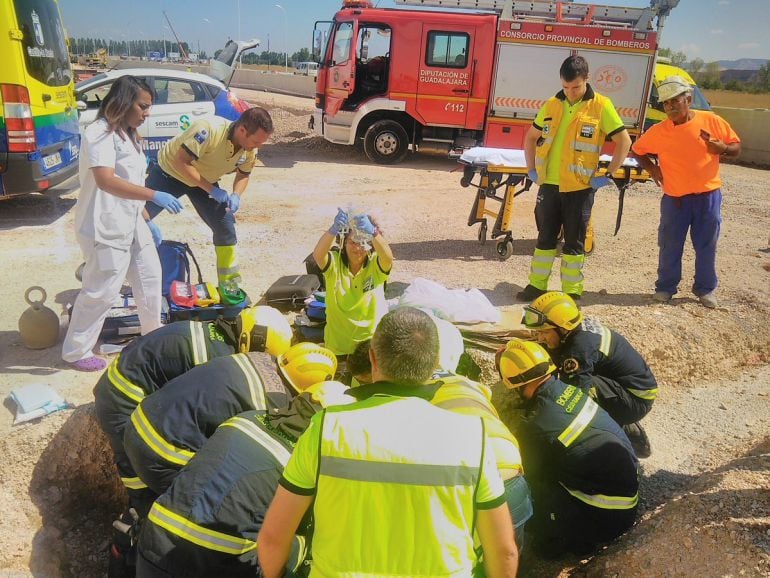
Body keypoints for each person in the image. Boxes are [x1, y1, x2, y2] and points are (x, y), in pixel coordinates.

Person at [257, 307, 519, 578]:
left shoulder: (326, 427)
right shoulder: (472, 437)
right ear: (435, 363)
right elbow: (503, 552)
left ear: (372, 358)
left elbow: (274, 538)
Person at [135, 380, 352, 578]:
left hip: (153, 542)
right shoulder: (307, 460)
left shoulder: (246, 418)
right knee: (304, 540)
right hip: (214, 566)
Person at [93, 307, 291, 519]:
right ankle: (140, 522)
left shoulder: (209, 333)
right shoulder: (213, 357)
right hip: (124, 400)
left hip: (119, 386)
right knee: (138, 471)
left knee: (136, 460)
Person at [348, 337, 533, 550]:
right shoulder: (455, 378)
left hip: (469, 479)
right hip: (510, 466)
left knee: (463, 559)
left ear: (376, 370)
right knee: (506, 554)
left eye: (363, 383)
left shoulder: (399, 399)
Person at [62, 76, 183, 372]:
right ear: (124, 102)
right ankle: (76, 351)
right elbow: (106, 181)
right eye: (143, 106)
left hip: (131, 221)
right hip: (105, 225)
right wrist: (155, 194)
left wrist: (145, 217)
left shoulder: (130, 135)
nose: (147, 113)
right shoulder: (100, 133)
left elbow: (130, 183)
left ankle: (152, 338)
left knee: (151, 279)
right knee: (101, 289)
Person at [123, 343, 337, 497]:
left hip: (135, 424)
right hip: (161, 455)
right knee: (214, 502)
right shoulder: (274, 403)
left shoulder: (257, 358)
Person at [497, 339, 639, 558]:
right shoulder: (568, 390)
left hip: (608, 518)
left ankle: (565, 540)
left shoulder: (537, 424)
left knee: (524, 485)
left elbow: (526, 472)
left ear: (515, 384)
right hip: (627, 496)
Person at [518, 55, 631, 302]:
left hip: (579, 188)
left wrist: (608, 174)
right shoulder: (551, 104)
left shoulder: (601, 105)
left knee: (574, 242)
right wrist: (531, 169)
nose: (570, 93)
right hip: (549, 184)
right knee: (545, 237)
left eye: (576, 87)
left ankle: (571, 292)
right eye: (565, 87)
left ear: (587, 79)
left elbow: (624, 141)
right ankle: (537, 286)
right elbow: (530, 138)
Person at [631, 75, 741, 308]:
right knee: (670, 244)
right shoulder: (659, 131)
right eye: (666, 103)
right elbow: (637, 150)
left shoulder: (711, 121)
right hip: (675, 199)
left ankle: (705, 289)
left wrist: (721, 148)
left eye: (674, 101)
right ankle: (665, 287)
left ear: (688, 99)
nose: (669, 107)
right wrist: (653, 169)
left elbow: (736, 147)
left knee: (706, 245)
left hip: (707, 197)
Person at [145, 107, 273, 292]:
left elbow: (244, 174)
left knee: (225, 226)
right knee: (137, 218)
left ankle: (229, 287)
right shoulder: (208, 129)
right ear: (242, 130)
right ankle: (108, 270)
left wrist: (236, 194)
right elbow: (180, 162)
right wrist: (212, 189)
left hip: (204, 181)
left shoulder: (249, 148)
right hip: (170, 174)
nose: (258, 146)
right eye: (256, 141)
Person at [522, 291, 657, 457]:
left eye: (544, 332)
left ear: (562, 328)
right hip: (627, 389)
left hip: (636, 401)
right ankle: (622, 422)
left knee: (574, 394)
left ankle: (616, 436)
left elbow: (572, 399)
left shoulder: (580, 349)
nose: (540, 338)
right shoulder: (575, 330)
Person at [312, 208, 393, 356]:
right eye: (352, 242)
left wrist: (374, 232)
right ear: (343, 243)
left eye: (363, 242)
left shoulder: (375, 264)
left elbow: (388, 258)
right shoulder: (335, 263)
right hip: (338, 348)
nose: (358, 248)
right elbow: (318, 255)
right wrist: (333, 229)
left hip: (371, 347)